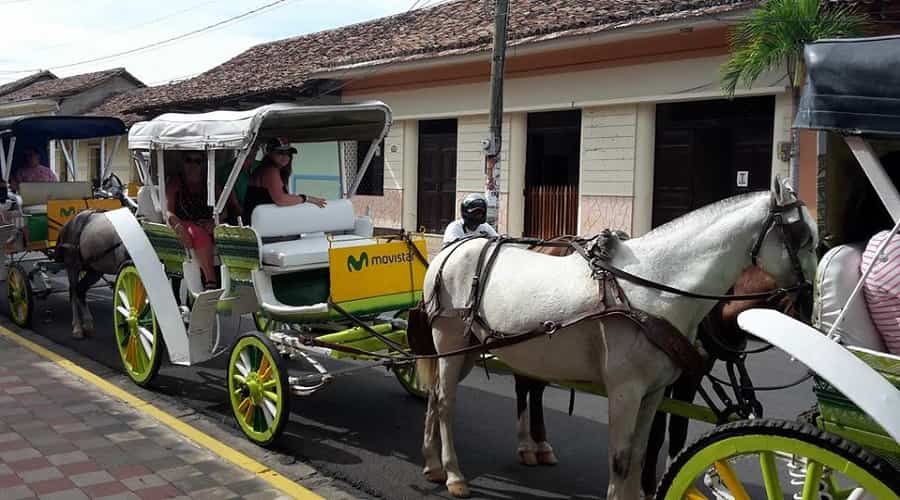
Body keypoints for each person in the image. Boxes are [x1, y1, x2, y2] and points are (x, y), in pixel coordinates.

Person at [166, 152, 217, 290]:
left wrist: (212, 222)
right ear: (183, 163)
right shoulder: (175, 182)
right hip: (184, 222)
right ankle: (210, 281)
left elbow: (222, 209)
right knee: (197, 232)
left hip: (208, 223)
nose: (193, 165)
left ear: (203, 164)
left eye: (198, 161)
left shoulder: (210, 182)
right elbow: (167, 210)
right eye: (189, 160)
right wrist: (178, 226)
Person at [244, 138, 326, 219]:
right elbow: (281, 199)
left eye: (288, 153)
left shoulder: (269, 169)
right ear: (270, 153)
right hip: (257, 224)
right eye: (280, 152)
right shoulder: (270, 170)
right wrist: (306, 198)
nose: (285, 156)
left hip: (260, 221)